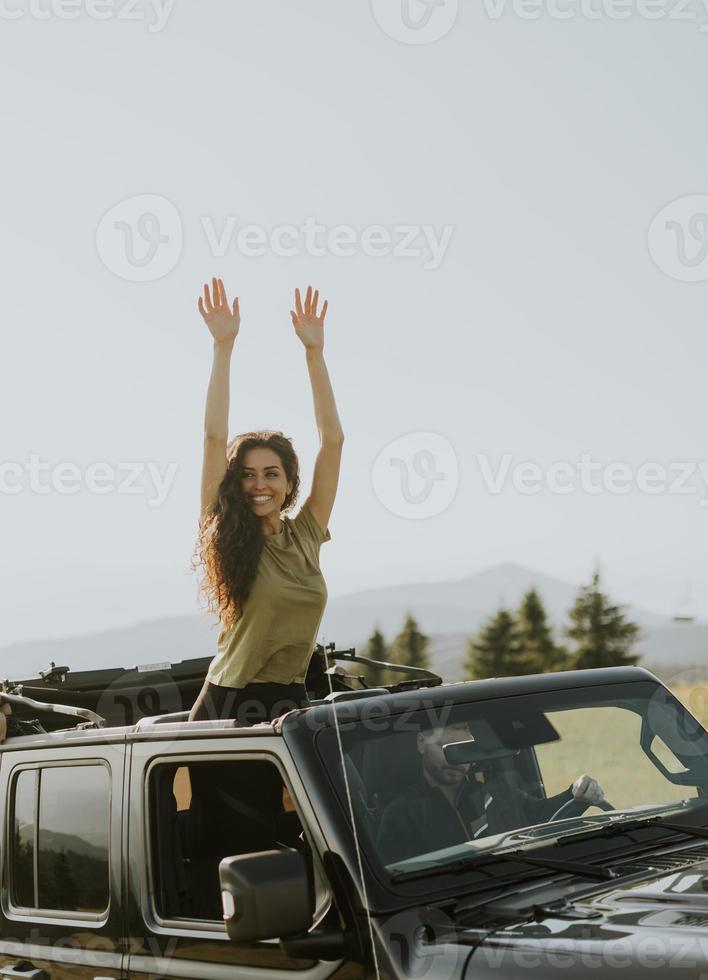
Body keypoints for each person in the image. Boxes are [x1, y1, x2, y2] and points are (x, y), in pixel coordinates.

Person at [188, 278, 344, 726]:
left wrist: (314, 354)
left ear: (290, 480)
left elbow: (332, 442)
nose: (259, 484)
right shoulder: (224, 529)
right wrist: (223, 347)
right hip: (230, 705)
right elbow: (214, 437)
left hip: (291, 702)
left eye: (271, 473)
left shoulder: (306, 535)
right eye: (248, 474)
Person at [376, 720, 605, 864]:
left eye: (464, 751)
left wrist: (576, 794)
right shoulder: (401, 813)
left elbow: (541, 816)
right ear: (420, 743)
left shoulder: (495, 792)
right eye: (445, 750)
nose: (456, 761)